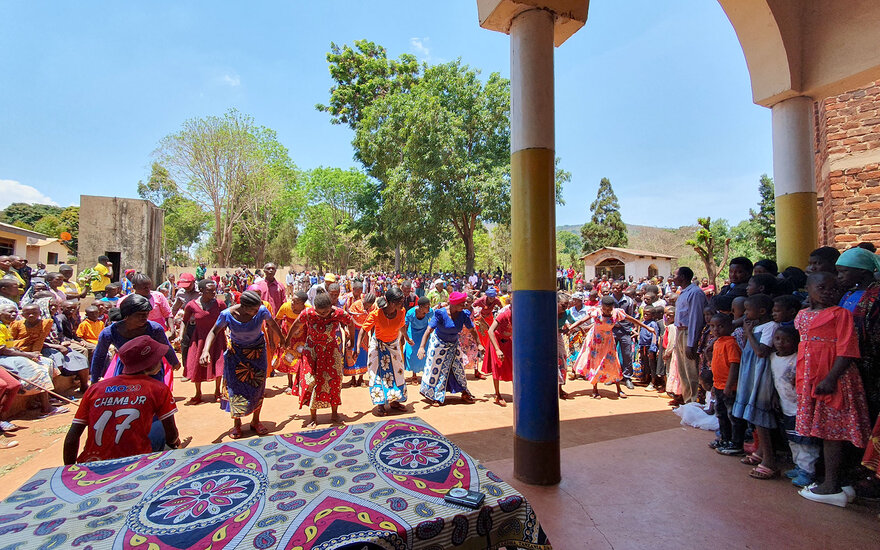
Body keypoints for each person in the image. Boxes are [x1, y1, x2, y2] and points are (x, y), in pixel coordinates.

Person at [796, 272, 871, 507]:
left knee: (832, 434)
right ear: (809, 289)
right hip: (811, 378)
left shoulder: (841, 315)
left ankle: (831, 484)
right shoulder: (802, 316)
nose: (829, 292)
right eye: (822, 287)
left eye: (834, 288)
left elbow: (847, 349)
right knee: (823, 432)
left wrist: (831, 378)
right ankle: (833, 480)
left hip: (833, 379)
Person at [63, 335, 180, 464]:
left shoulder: (95, 389)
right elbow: (172, 435)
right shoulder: (158, 389)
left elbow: (71, 438)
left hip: (93, 462)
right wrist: (175, 444)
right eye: (159, 358)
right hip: (135, 462)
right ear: (150, 363)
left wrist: (70, 470)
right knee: (159, 427)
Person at [202, 290, 282, 438]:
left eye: (257, 309)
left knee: (258, 387)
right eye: (253, 310)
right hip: (236, 355)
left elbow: (273, 324)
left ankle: (255, 421)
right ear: (243, 307)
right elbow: (214, 331)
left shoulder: (262, 311)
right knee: (235, 388)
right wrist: (205, 350)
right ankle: (237, 424)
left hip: (257, 353)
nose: (256, 312)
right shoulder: (227, 315)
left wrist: (281, 340)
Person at [288, 292, 356, 427]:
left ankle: (334, 413)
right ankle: (313, 417)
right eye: (319, 312)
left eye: (325, 312)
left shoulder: (339, 313)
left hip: (331, 350)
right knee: (310, 381)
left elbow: (351, 324)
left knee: (335, 381)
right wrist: (287, 340)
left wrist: (352, 341)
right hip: (311, 351)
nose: (322, 315)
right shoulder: (308, 313)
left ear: (331, 307)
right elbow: (296, 324)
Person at [728, 294, 779, 467]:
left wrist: (748, 332)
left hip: (760, 373)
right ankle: (760, 451)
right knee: (753, 416)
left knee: (759, 415)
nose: (745, 313)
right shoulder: (757, 325)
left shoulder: (770, 327)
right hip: (750, 372)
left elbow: (761, 352)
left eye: (748, 310)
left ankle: (769, 459)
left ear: (762, 311)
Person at [570, 295, 655, 399]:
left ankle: (619, 389)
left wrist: (647, 328)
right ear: (601, 306)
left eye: (609, 309)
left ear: (613, 307)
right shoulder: (596, 312)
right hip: (595, 341)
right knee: (595, 363)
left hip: (608, 341)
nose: (607, 311)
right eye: (605, 309)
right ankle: (595, 389)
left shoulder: (617, 313)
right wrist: (570, 328)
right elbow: (581, 321)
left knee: (614, 363)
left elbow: (632, 320)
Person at [770, 325, 821, 488]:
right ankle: (799, 466)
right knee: (792, 438)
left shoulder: (799, 358)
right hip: (786, 406)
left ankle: (808, 471)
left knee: (805, 441)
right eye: (777, 339)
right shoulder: (773, 357)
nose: (781, 343)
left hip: (801, 407)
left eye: (786, 340)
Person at [90, 294, 179, 388]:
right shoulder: (109, 332)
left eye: (146, 314)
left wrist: (174, 361)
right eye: (139, 315)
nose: (144, 317)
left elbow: (166, 346)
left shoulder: (155, 329)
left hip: (151, 371)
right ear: (126, 315)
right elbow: (99, 356)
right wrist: (94, 379)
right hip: (125, 371)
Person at [0, 304, 66, 418]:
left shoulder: (6, 326)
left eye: (15, 312)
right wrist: (27, 354)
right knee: (37, 369)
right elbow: (3, 350)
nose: (14, 314)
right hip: (4, 357)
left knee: (46, 362)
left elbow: (10, 346)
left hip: (10, 355)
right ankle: (46, 408)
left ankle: (40, 399)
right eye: (10, 312)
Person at [418, 291, 479, 406]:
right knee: (436, 369)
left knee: (458, 368)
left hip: (453, 344)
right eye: (461, 303)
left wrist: (479, 344)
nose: (464, 304)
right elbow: (428, 330)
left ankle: (464, 391)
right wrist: (421, 347)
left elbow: (473, 330)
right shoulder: (440, 313)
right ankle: (434, 395)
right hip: (438, 344)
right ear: (454, 304)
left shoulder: (464, 314)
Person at [12, 303, 89, 392]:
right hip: (36, 349)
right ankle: (52, 392)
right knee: (56, 360)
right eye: (28, 313)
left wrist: (60, 344)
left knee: (81, 358)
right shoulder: (16, 325)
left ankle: (84, 386)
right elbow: (13, 342)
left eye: (34, 312)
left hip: (53, 345)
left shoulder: (46, 323)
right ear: (22, 314)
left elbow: (52, 337)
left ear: (40, 313)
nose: (31, 315)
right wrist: (56, 347)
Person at [361, 288, 408, 416]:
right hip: (378, 346)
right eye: (400, 302)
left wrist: (407, 338)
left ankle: (394, 401)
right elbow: (363, 330)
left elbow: (402, 325)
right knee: (376, 373)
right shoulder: (376, 314)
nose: (402, 304)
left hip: (393, 345)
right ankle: (380, 404)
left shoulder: (401, 311)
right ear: (391, 303)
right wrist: (357, 347)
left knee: (397, 372)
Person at [182, 279, 226, 405]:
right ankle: (198, 393)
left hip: (217, 337)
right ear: (201, 291)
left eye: (214, 290)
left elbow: (226, 318)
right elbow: (184, 321)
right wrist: (181, 335)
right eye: (210, 291)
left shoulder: (219, 304)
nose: (213, 292)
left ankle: (217, 392)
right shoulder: (191, 305)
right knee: (197, 363)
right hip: (199, 338)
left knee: (218, 363)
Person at [706, 313, 746, 452]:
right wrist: (708, 353)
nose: (716, 329)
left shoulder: (731, 343)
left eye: (720, 326)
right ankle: (725, 439)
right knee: (721, 414)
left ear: (730, 326)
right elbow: (714, 363)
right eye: (712, 326)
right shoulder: (717, 342)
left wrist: (729, 385)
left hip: (729, 387)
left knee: (733, 416)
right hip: (718, 385)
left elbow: (735, 365)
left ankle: (736, 443)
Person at [672, 267, 709, 403]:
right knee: (683, 369)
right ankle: (687, 399)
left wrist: (691, 343)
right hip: (680, 331)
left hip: (689, 332)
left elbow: (696, 319)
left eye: (675, 275)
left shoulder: (695, 293)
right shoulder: (683, 292)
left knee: (691, 368)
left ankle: (694, 400)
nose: (672, 277)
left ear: (682, 277)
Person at [275, 291, 309, 394]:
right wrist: (278, 337)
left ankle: (298, 383)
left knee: (301, 359)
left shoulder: (307, 309)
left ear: (302, 303)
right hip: (287, 337)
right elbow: (276, 321)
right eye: (292, 301)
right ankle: (290, 383)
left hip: (302, 338)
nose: (292, 303)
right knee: (288, 358)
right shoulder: (285, 307)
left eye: (296, 302)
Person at [486, 297, 513, 406]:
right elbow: (490, 331)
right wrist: (497, 349)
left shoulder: (521, 315)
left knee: (513, 366)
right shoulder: (504, 314)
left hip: (508, 341)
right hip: (496, 341)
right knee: (497, 366)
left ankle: (518, 392)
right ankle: (497, 395)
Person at [404, 297, 432, 386]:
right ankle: (414, 375)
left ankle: (425, 374)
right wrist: (406, 338)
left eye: (429, 306)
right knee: (412, 353)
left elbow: (435, 321)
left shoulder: (430, 312)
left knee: (425, 352)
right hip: (412, 333)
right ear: (420, 307)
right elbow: (404, 326)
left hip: (424, 333)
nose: (429, 308)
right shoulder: (410, 313)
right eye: (426, 307)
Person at [637, 307, 659, 388]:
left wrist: (652, 349)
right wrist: (639, 346)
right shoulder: (643, 323)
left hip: (650, 347)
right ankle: (646, 379)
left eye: (647, 314)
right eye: (644, 313)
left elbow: (654, 337)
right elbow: (640, 335)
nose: (645, 315)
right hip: (643, 347)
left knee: (651, 365)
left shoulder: (653, 324)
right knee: (645, 364)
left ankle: (653, 382)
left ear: (653, 315)